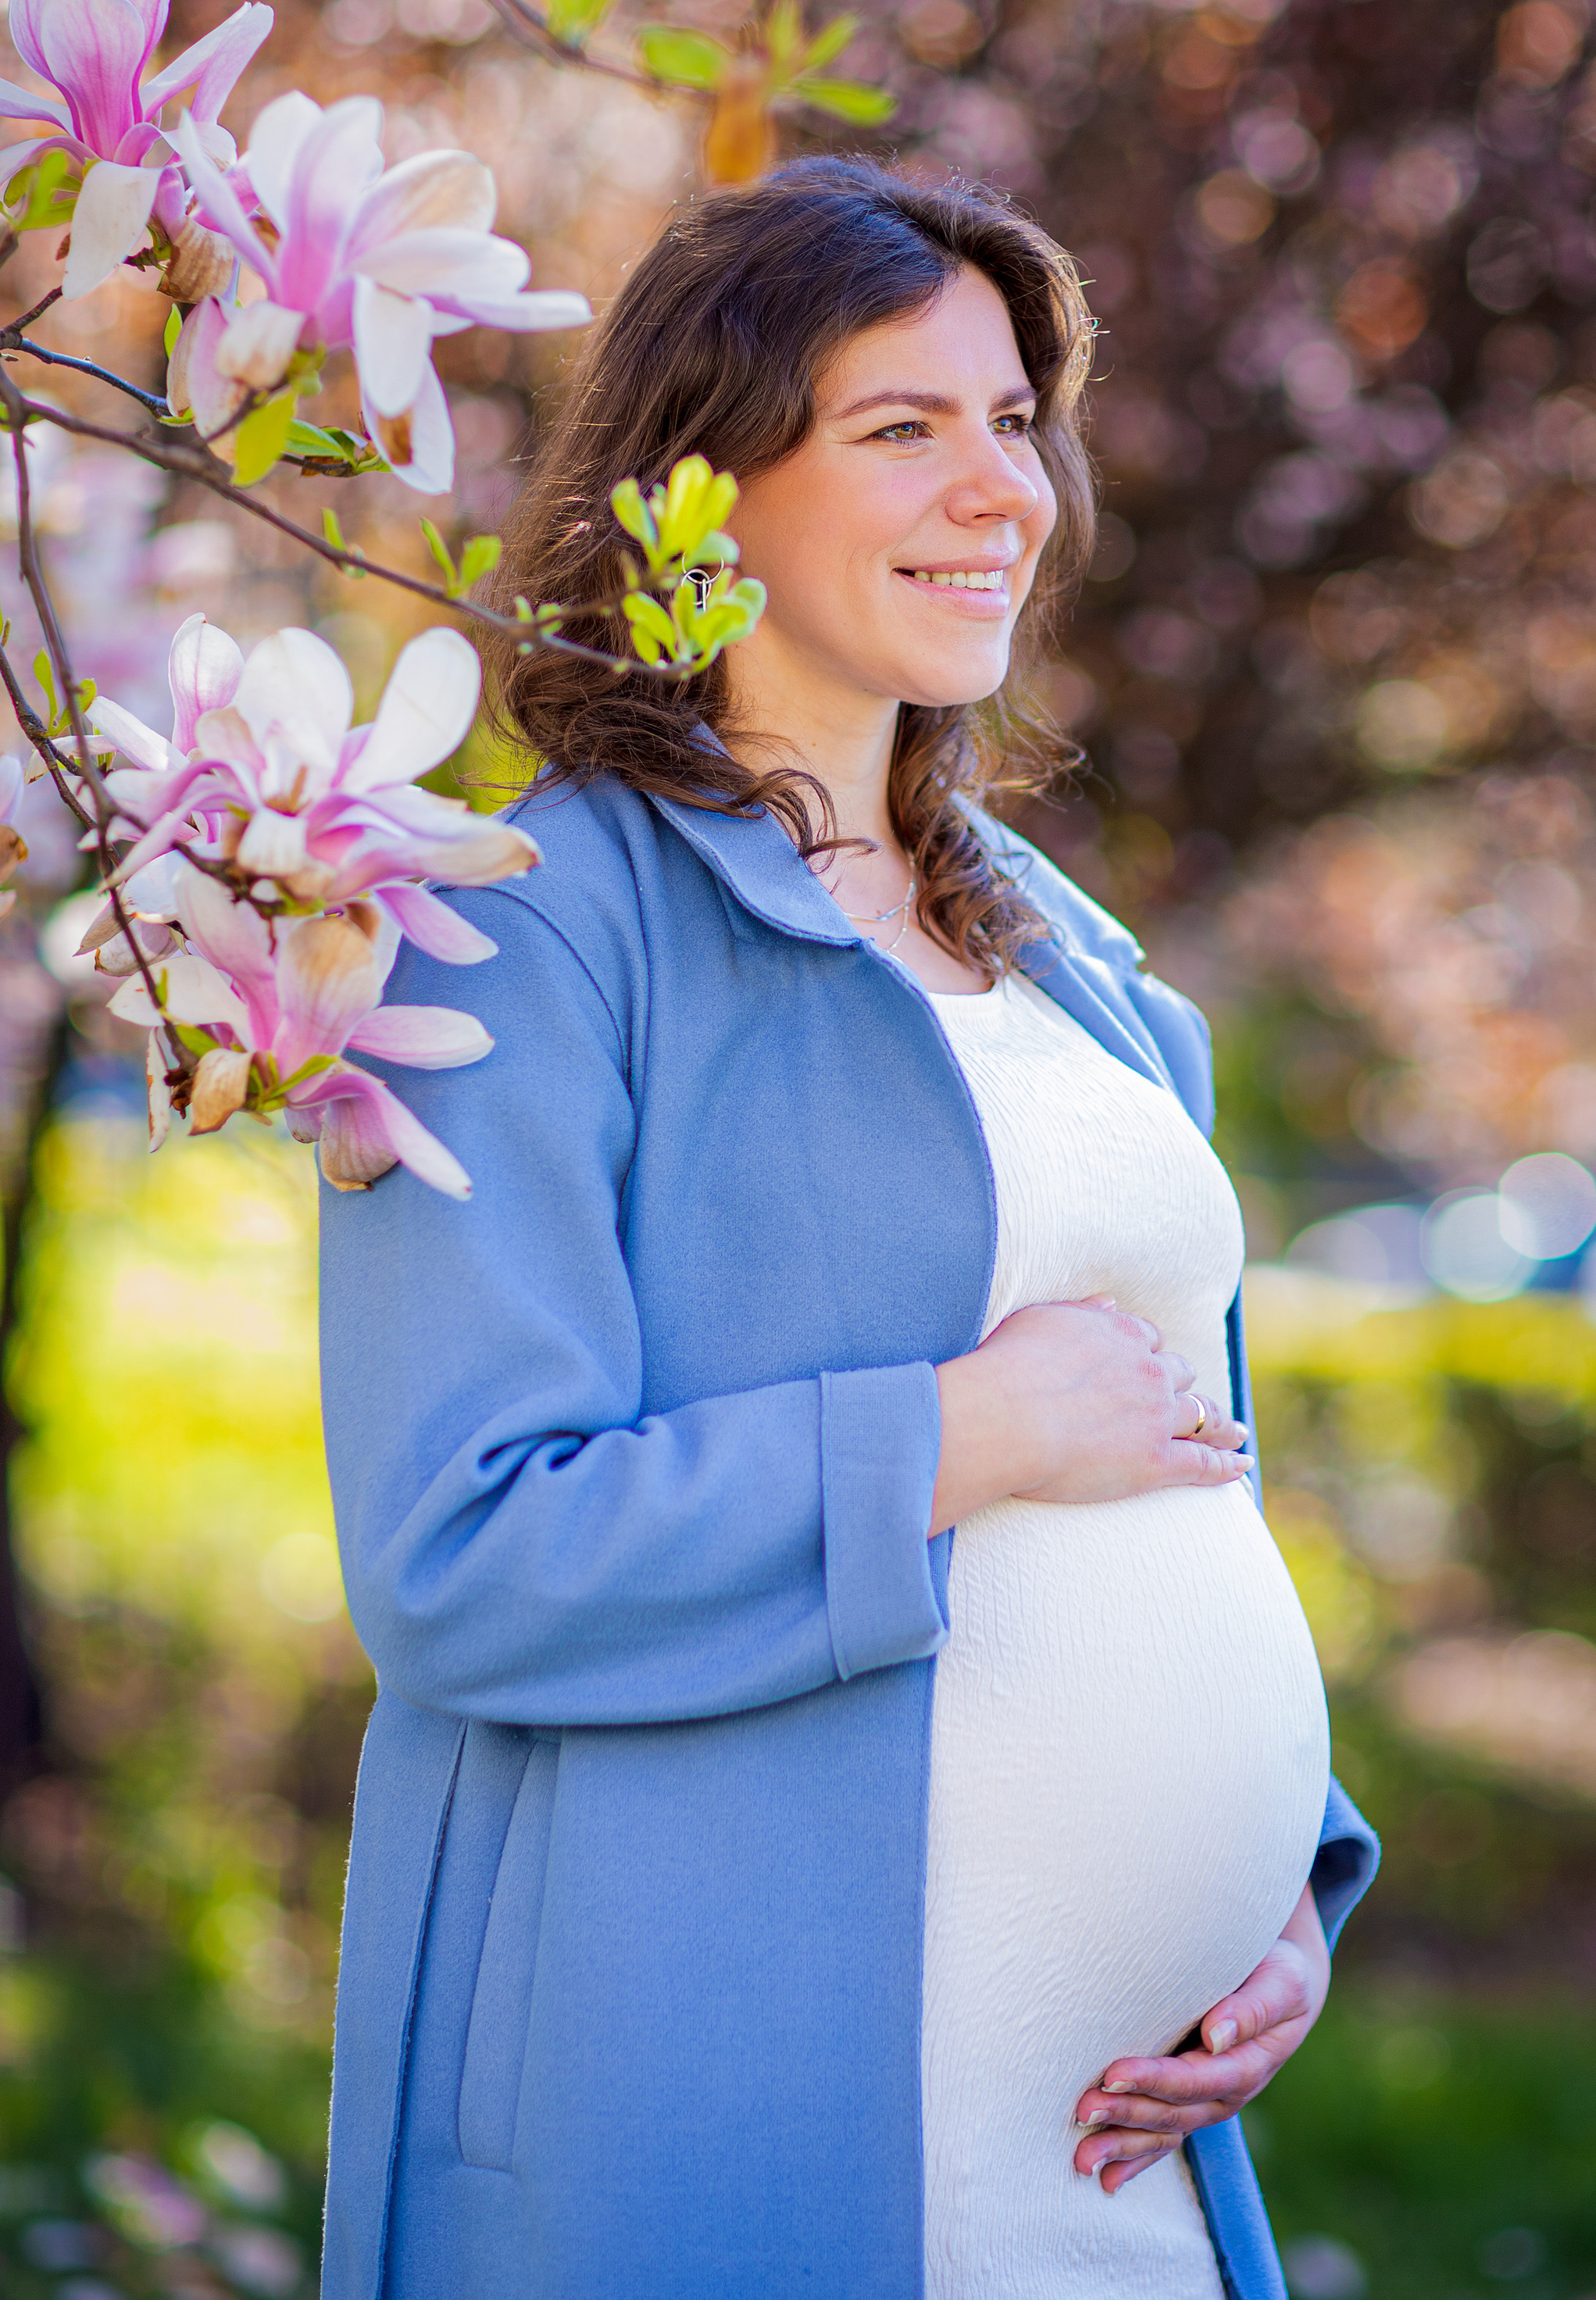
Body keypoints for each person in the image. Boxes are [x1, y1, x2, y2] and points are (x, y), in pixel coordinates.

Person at [316, 158, 1379, 2300]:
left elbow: (1189, 1477)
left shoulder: (1082, 971)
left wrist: (1280, 1896)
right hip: (755, 2098)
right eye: (902, 429)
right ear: (701, 491)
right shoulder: (527, 929)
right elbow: (463, 1555)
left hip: (1129, 2153)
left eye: (1015, 424)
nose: (1002, 490)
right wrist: (954, 1438)